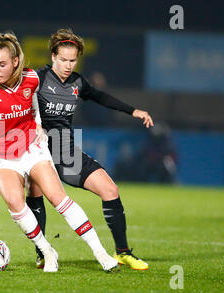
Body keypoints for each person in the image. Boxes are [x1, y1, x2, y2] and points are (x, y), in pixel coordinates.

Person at [0, 32, 119, 272]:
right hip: (0, 156)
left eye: (2, 64)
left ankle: (100, 253)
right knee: (15, 202)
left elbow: (34, 104)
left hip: (31, 148)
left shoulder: (31, 79)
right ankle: (47, 250)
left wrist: (37, 123)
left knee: (59, 198)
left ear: (16, 61)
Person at [27, 29, 154, 270]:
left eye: (72, 60)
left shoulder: (77, 82)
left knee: (110, 189)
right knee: (35, 192)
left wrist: (133, 111)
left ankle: (123, 253)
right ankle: (43, 252)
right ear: (53, 56)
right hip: (37, 151)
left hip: (66, 153)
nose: (67, 65)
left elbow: (100, 96)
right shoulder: (37, 78)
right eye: (63, 59)